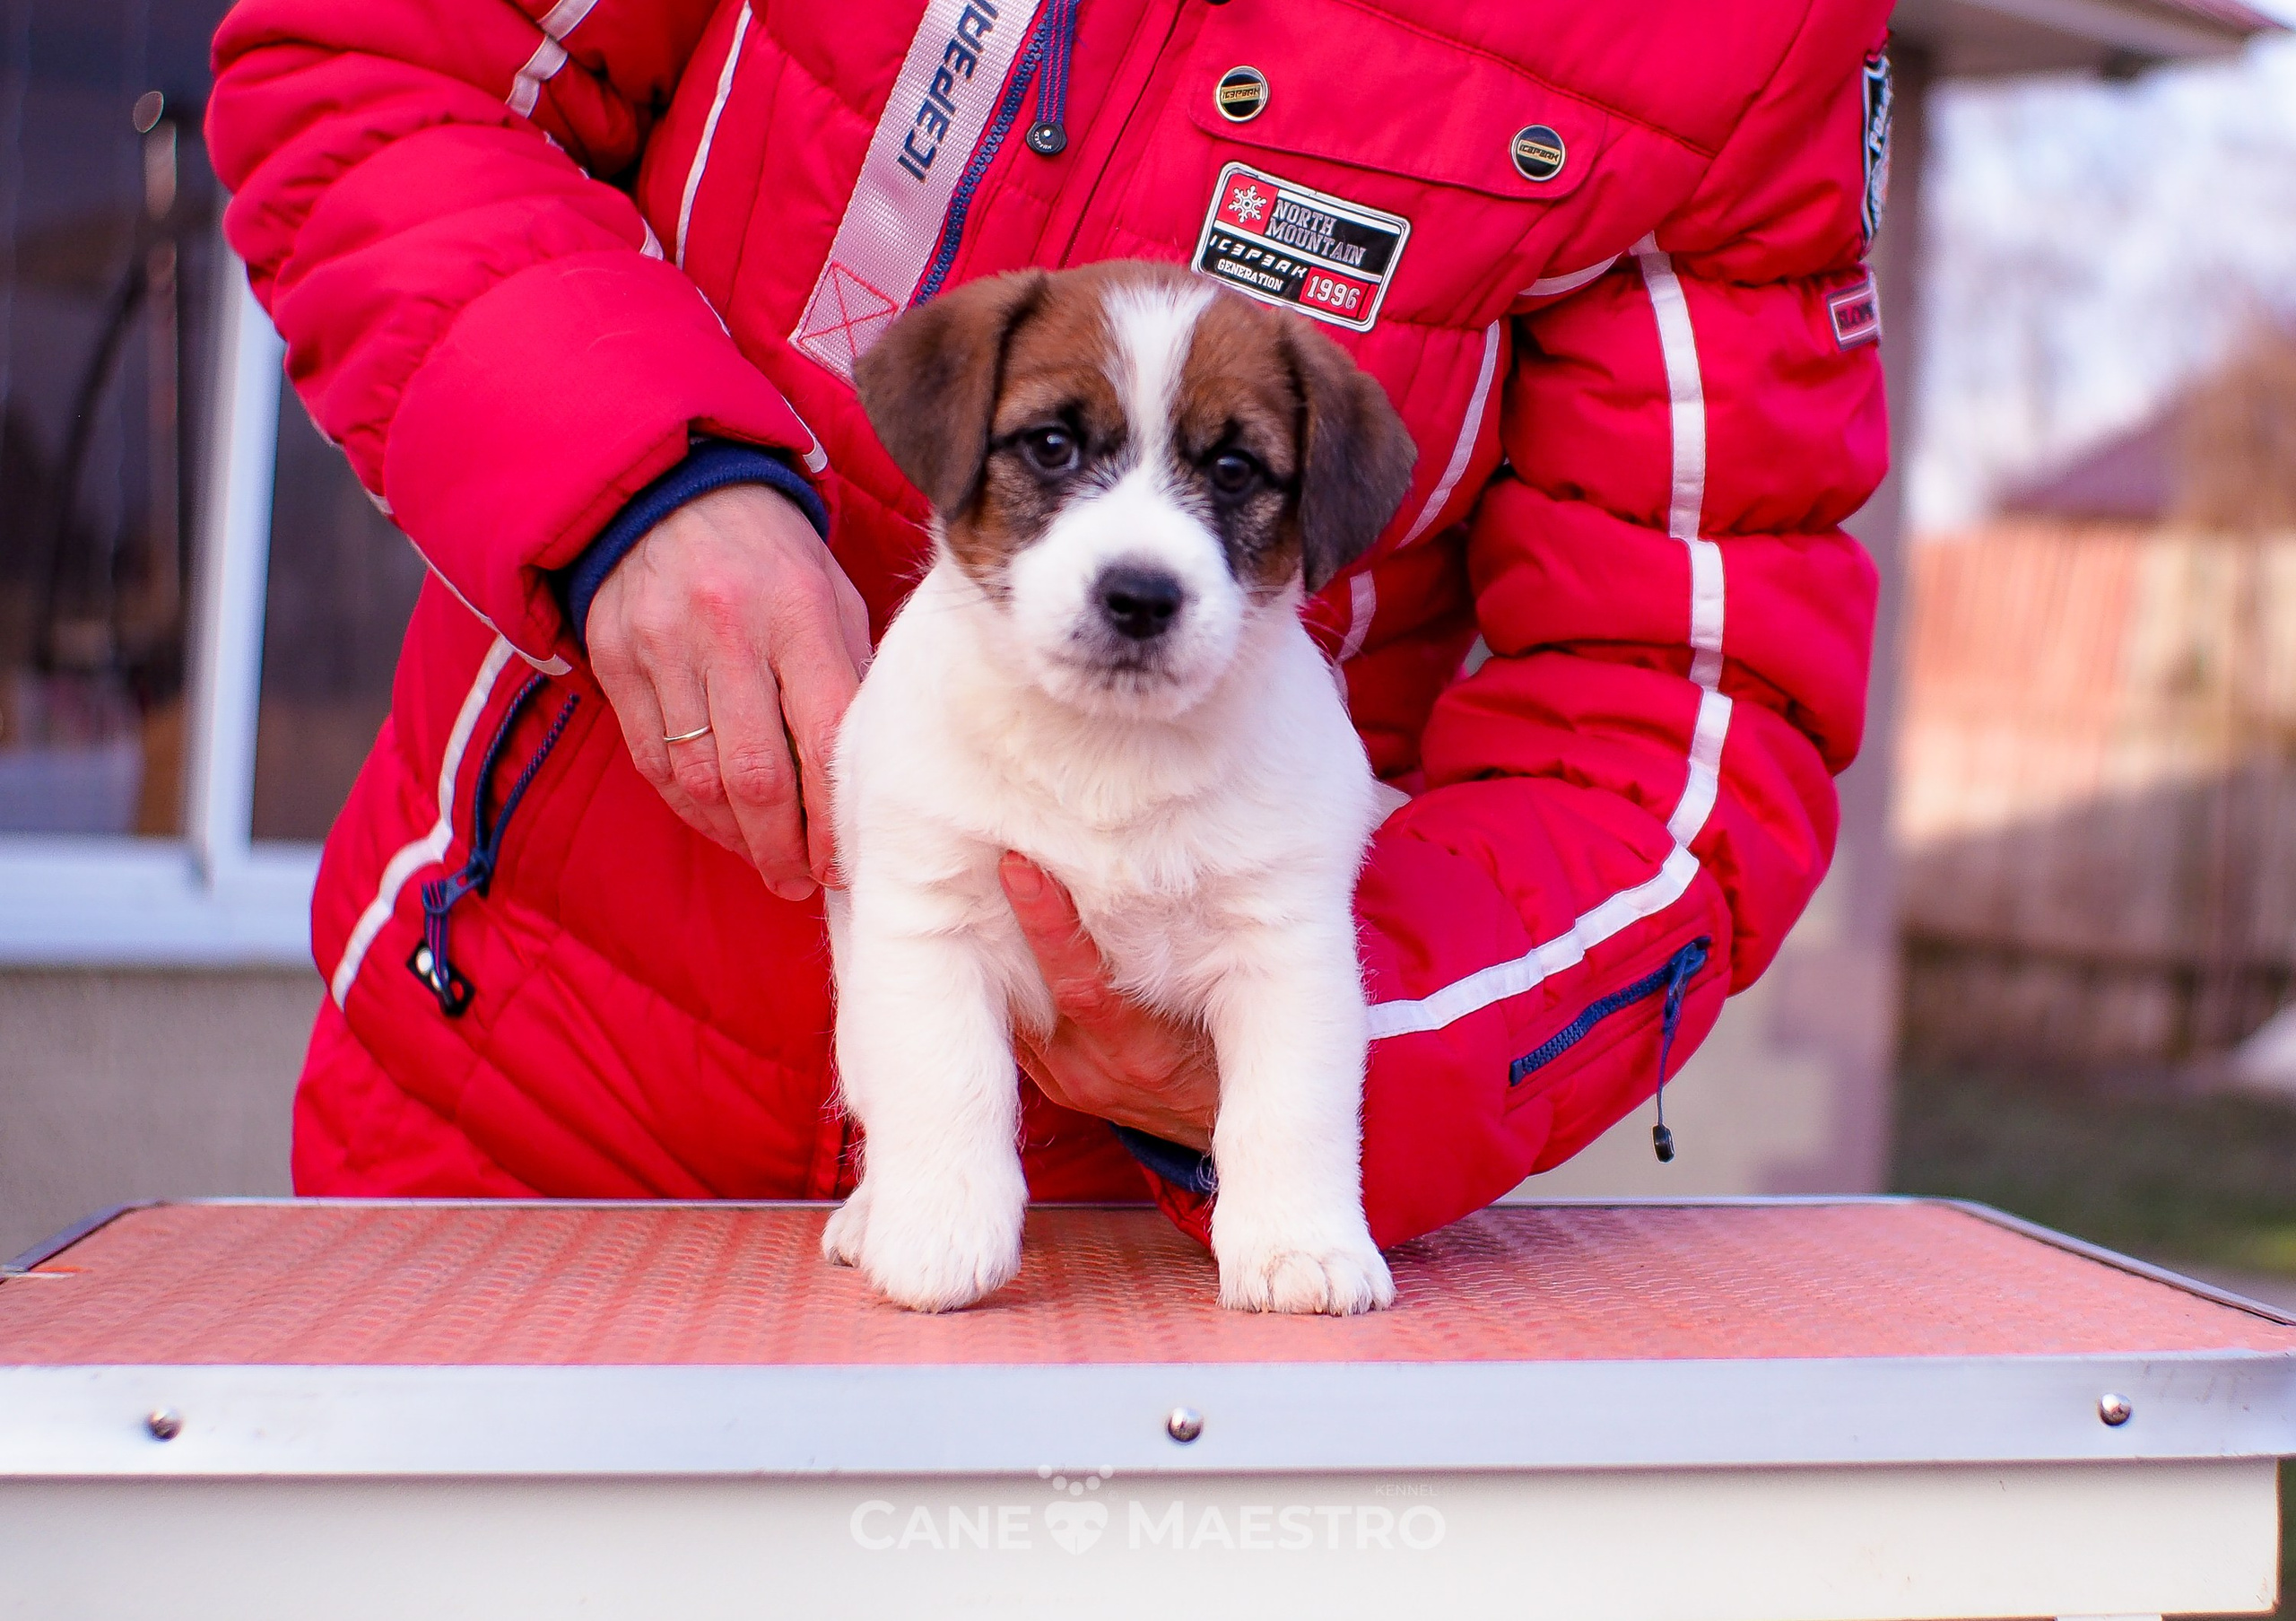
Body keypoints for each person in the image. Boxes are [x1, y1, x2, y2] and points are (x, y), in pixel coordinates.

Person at [205, 0, 1889, 1249]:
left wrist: (1340, 1053)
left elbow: (1682, 691)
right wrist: (630, 481)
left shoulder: (1744, 37)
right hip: (525, 1096)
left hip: (1131, 1241)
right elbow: (370, 65)